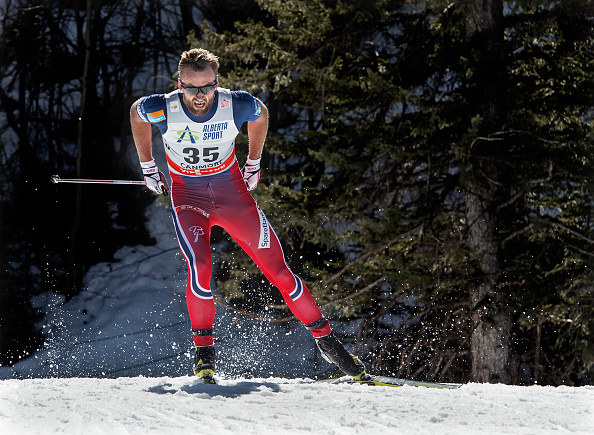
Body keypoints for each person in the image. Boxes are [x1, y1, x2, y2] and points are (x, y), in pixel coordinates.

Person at [130, 48, 366, 383]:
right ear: (179, 84)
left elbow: (261, 113)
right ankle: (204, 358)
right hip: (189, 199)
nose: (199, 96)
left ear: (217, 82)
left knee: (281, 273)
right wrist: (148, 166)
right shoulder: (163, 107)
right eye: (191, 88)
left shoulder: (234, 103)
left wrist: (254, 161)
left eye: (207, 87)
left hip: (233, 197)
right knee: (200, 268)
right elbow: (136, 115)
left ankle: (335, 350)